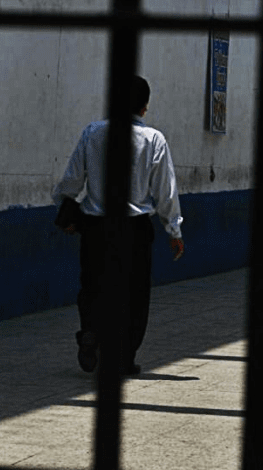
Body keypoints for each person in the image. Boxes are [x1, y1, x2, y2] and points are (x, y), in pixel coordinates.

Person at [52, 75, 184, 376]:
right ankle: (124, 357)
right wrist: (174, 231)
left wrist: (67, 213)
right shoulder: (154, 140)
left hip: (96, 227)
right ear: (145, 107)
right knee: (134, 295)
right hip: (134, 229)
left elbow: (71, 181)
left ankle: (90, 331)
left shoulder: (92, 133)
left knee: (92, 286)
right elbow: (166, 193)